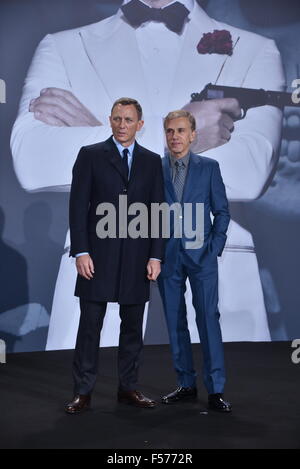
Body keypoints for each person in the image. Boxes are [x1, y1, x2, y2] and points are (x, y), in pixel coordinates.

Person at [11, 0, 285, 350]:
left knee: (220, 394)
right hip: (103, 259)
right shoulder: (63, 46)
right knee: (96, 392)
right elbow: (33, 159)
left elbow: (249, 169)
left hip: (216, 276)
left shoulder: (255, 50)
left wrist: (101, 134)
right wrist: (182, 133)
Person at [65, 97, 165, 413]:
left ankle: (128, 388)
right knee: (90, 327)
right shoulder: (90, 156)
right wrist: (81, 251)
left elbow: (158, 213)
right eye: (117, 119)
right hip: (97, 257)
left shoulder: (151, 161)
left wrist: (156, 256)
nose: (122, 125)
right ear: (110, 120)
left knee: (132, 329)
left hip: (137, 260)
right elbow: (78, 207)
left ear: (140, 124)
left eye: (128, 120)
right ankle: (83, 392)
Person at [158, 109, 231, 412]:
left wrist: (214, 247)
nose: (175, 136)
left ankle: (215, 389)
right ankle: (186, 384)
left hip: (202, 256)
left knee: (207, 320)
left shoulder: (209, 168)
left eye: (181, 131)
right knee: (175, 323)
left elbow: (222, 212)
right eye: (170, 131)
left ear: (192, 134)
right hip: (167, 257)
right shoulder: (155, 169)